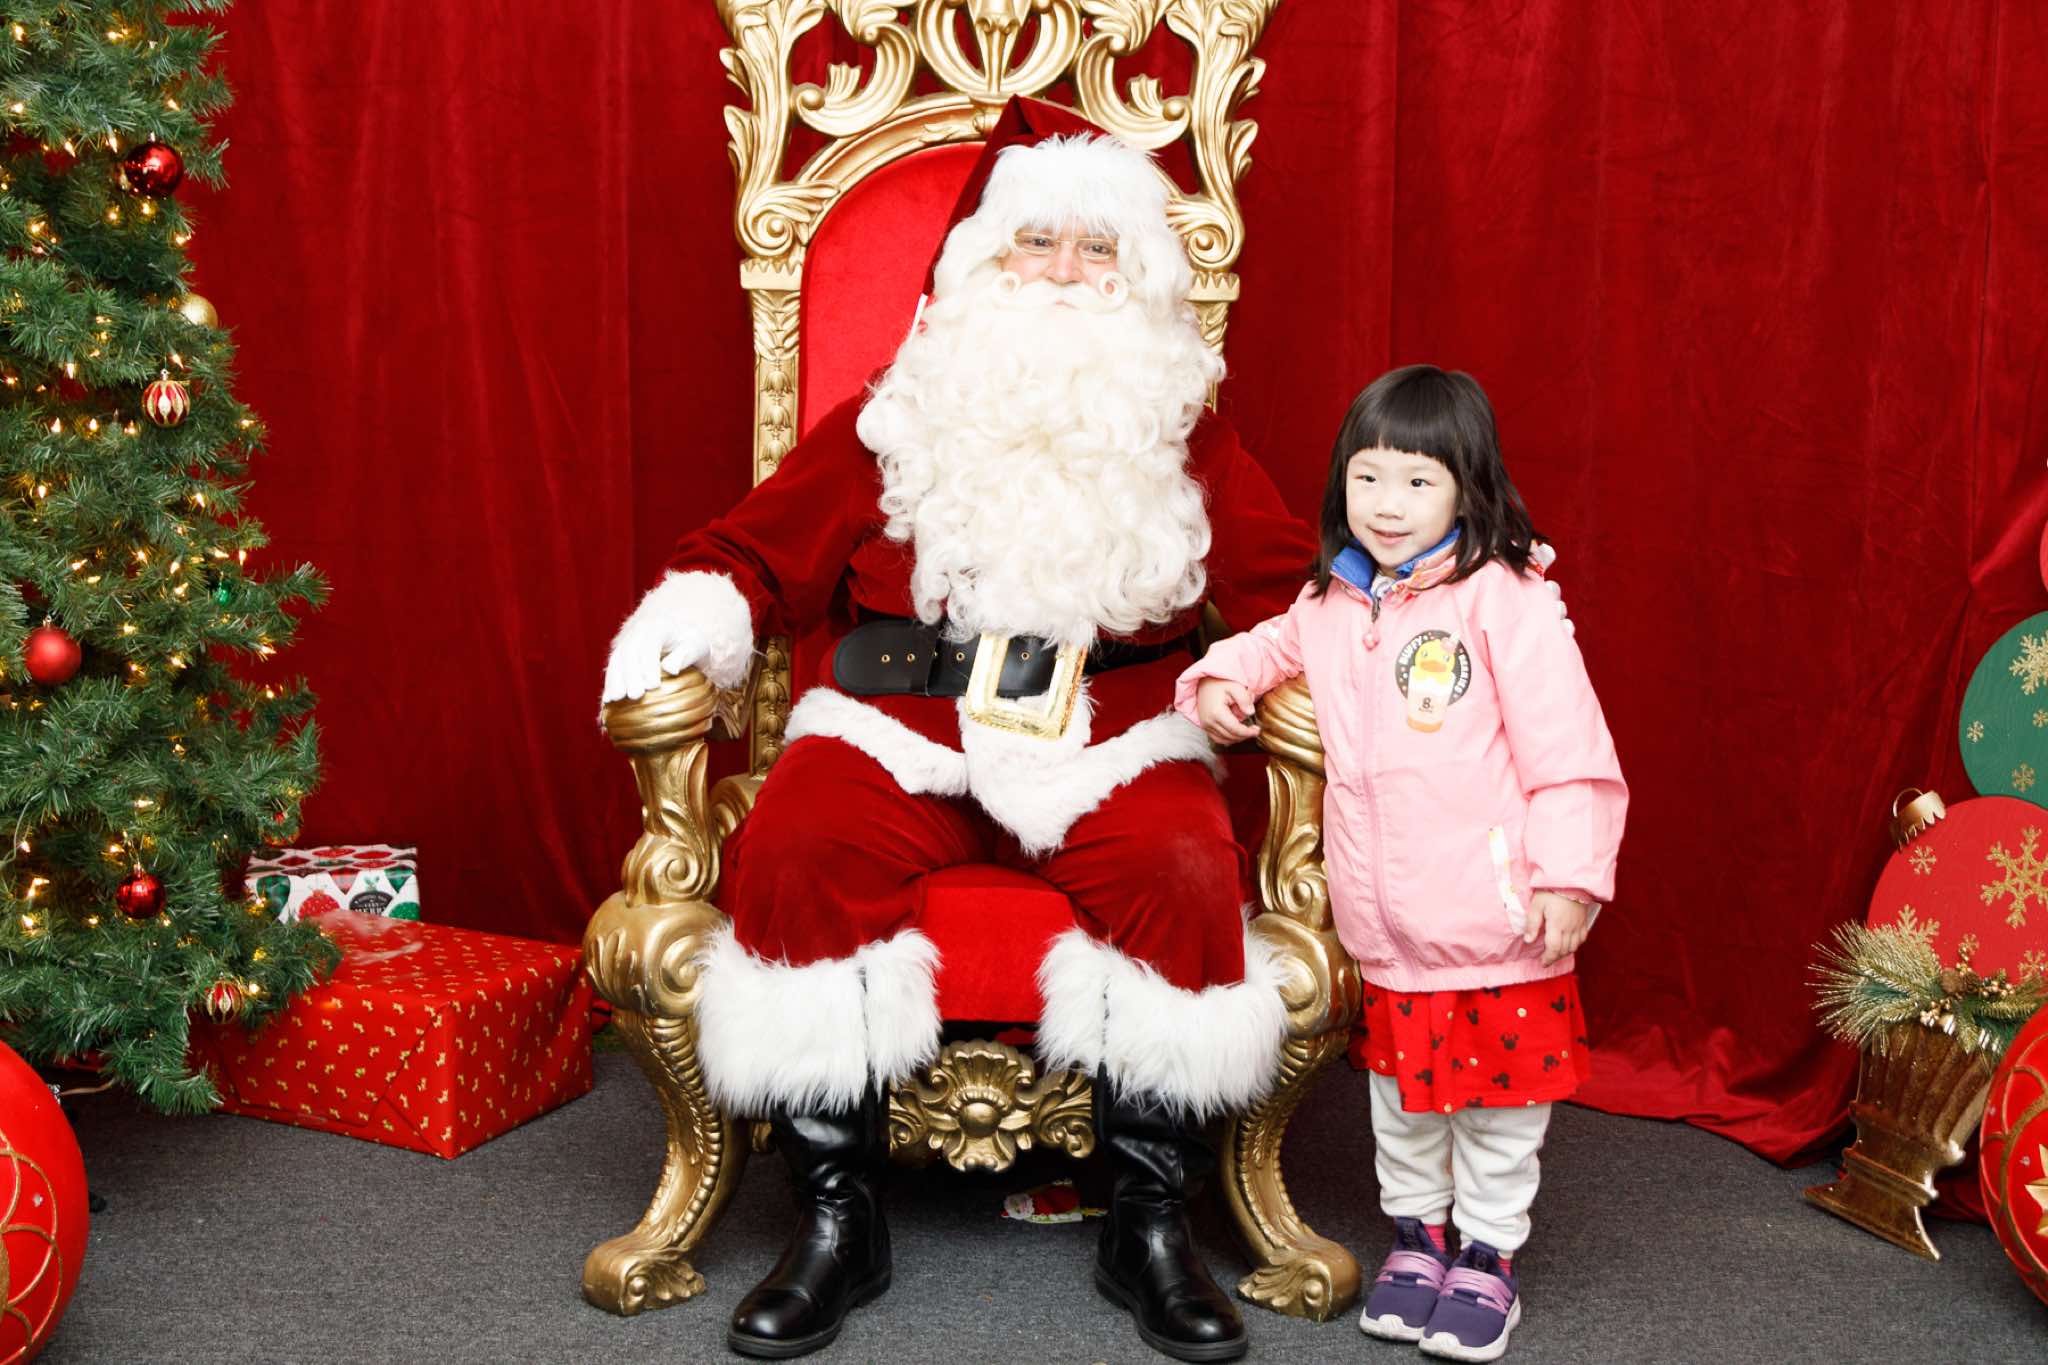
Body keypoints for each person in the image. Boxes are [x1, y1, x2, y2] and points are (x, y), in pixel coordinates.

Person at [601, 98, 1316, 1363]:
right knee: (798, 847)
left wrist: (1424, 623)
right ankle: (837, 1217)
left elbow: (1284, 592)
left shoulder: (1181, 433)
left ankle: (1147, 1223)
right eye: (1035, 242)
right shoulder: (898, 411)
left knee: (1183, 867)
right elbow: (750, 552)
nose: (1064, 272)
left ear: (1138, 277)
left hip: (1110, 738)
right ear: (983, 261)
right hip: (899, 726)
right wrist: (689, 623)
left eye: (1096, 248)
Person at [1175, 365, 1626, 1363]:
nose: (1387, 504)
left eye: (1418, 482)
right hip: (1386, 931)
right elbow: (1264, 646)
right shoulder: (1335, 601)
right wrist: (1215, 681)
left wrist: (1567, 877)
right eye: (1368, 478)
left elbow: (1571, 754)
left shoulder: (1504, 600)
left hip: (1495, 921)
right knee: (1405, 1104)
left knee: (1497, 1111)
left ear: (1468, 485)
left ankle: (1488, 1256)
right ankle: (1418, 1244)